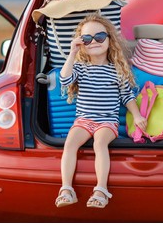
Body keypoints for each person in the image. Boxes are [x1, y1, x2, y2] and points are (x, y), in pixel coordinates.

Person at [55, 14, 147, 208]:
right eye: (87, 39)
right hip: (83, 120)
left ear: (109, 39)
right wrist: (72, 53)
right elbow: (64, 80)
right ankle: (66, 189)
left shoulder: (117, 70)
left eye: (99, 37)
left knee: (99, 143)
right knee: (70, 143)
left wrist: (137, 115)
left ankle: (101, 190)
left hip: (107, 122)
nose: (94, 41)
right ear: (82, 44)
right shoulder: (80, 68)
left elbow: (127, 96)